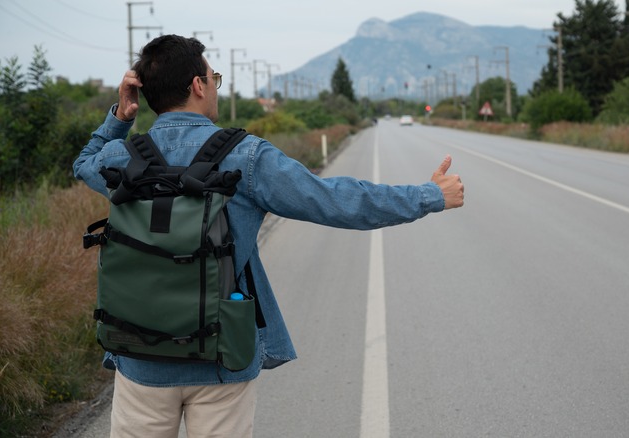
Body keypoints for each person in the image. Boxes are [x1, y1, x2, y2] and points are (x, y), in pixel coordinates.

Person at [73, 34, 464, 437]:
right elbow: (336, 201)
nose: (215, 86)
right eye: (215, 77)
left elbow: (83, 163)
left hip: (139, 358)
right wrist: (429, 196)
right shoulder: (245, 156)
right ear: (197, 85)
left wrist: (121, 116)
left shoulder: (123, 158)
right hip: (222, 357)